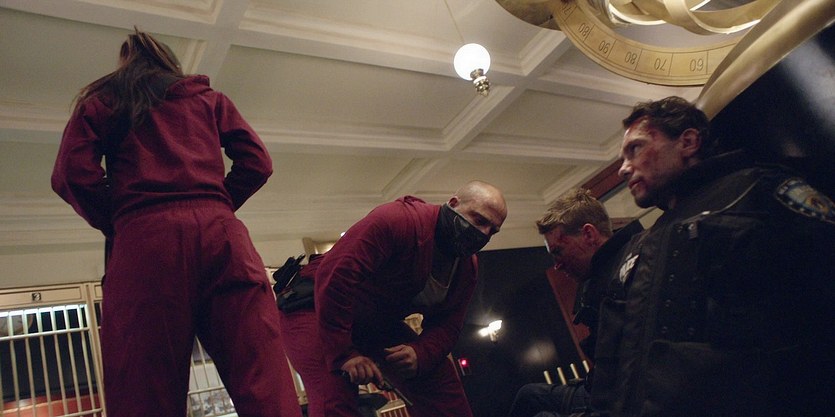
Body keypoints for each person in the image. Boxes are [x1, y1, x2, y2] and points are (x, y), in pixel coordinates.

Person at [51, 29, 300, 417]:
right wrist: (217, 206)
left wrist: (120, 220)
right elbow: (257, 162)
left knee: (144, 392)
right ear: (170, 63)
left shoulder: (104, 101)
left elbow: (71, 174)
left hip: (145, 243)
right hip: (223, 238)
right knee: (265, 380)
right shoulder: (209, 99)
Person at [590, 96, 835, 417]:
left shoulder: (758, 191)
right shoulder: (638, 246)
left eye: (635, 148)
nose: (623, 169)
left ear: (688, 142)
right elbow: (613, 364)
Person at [284, 181, 506, 417]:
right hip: (313, 308)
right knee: (335, 395)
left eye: (492, 230)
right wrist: (343, 353)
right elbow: (335, 278)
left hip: (374, 322)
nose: (484, 233)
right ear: (453, 204)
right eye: (479, 220)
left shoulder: (467, 268)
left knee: (441, 383)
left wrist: (420, 353)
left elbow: (449, 324)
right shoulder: (397, 220)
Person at [508, 189, 642, 417]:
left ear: (589, 234)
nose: (557, 265)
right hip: (600, 388)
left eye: (558, 252)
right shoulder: (594, 281)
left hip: (620, 398)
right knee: (529, 395)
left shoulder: (629, 272)